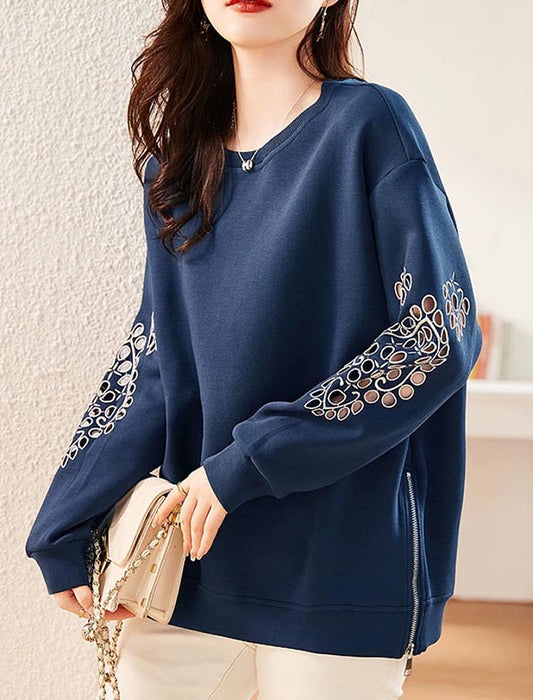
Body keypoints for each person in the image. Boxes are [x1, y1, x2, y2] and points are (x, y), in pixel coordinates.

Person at [25, 1, 483, 698]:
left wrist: (249, 461)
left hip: (339, 572)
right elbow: (156, 364)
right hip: (187, 568)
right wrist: (67, 517)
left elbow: (438, 337)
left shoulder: (368, 125)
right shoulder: (177, 166)